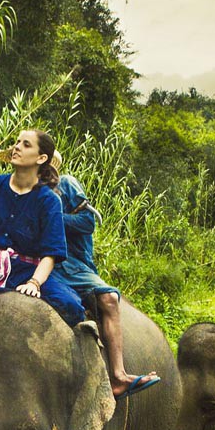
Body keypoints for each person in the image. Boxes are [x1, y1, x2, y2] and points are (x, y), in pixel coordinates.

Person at [49, 153, 160, 400]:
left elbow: (88, 222)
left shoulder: (65, 184)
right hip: (43, 261)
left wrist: (52, 217)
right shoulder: (24, 189)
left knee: (109, 299)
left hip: (73, 263)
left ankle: (118, 374)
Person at [0, 130, 87, 327]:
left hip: (27, 270)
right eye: (17, 142)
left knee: (71, 305)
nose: (17, 147)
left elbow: (50, 254)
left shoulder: (49, 200)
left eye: (26, 145)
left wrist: (34, 283)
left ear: (41, 158)